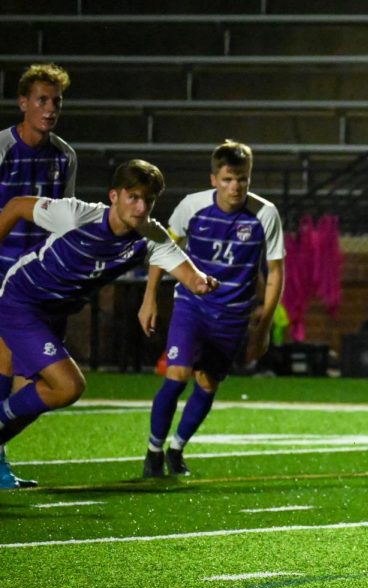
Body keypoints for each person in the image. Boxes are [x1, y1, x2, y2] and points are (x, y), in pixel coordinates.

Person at [0, 160, 218, 483]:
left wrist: (204, 282)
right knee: (68, 386)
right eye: (133, 197)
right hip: (21, 301)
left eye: (149, 200)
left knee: (29, 393)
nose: (141, 207)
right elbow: (17, 206)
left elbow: (192, 276)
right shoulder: (77, 215)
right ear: (113, 196)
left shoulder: (150, 236)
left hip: (54, 313)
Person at [138, 141, 285, 478]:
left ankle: (176, 448)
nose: (236, 187)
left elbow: (275, 271)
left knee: (207, 384)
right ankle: (153, 451)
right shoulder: (192, 206)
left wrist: (262, 327)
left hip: (233, 315)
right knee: (176, 376)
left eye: (243, 180)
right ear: (214, 178)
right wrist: (149, 297)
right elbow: (164, 246)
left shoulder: (265, 214)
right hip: (193, 304)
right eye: (229, 179)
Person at [0, 63, 77, 489]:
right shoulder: (3, 149)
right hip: (2, 275)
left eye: (56, 102)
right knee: (7, 361)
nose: (50, 109)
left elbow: (63, 219)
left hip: (39, 278)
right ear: (23, 103)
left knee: (39, 382)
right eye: (42, 100)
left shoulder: (64, 156)